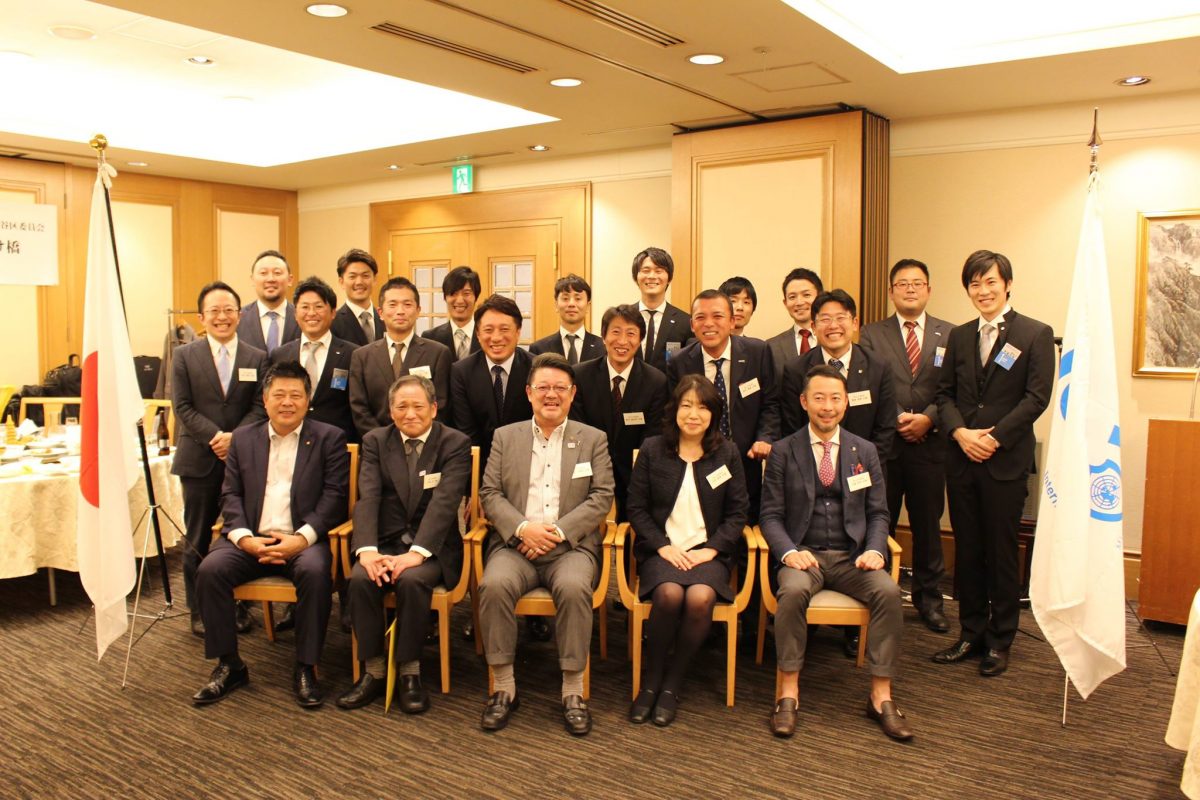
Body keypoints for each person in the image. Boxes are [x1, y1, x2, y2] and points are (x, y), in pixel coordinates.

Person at [760, 365, 912, 741]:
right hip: (804, 555)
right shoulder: (783, 451)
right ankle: (788, 692)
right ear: (804, 402)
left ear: (846, 403)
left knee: (889, 592)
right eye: (819, 398)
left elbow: (879, 512)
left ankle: (880, 696)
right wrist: (788, 552)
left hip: (851, 557)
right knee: (792, 591)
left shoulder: (866, 450)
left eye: (835, 398)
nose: (827, 407)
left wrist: (875, 549)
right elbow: (770, 516)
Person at [191, 361, 349, 707]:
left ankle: (306, 666)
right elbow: (230, 494)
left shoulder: (330, 438)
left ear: (308, 400)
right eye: (279, 395)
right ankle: (229, 665)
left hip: (302, 540)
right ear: (265, 399)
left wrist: (302, 539)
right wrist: (244, 538)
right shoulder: (244, 438)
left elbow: (335, 497)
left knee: (315, 572)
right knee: (210, 570)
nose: (287, 402)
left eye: (296, 395)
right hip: (251, 538)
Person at [476, 354, 614, 736]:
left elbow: (602, 497)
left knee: (573, 588)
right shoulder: (506, 437)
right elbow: (490, 493)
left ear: (572, 394)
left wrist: (555, 533)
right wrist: (523, 529)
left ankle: (573, 691)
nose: (551, 395)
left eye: (559, 388)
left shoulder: (593, 439)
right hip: (515, 546)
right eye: (543, 387)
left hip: (570, 548)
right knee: (493, 585)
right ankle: (504, 687)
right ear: (528, 392)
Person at [932, 250, 1054, 677]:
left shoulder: (1035, 333)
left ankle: (1000, 640)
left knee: (1001, 552)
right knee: (967, 550)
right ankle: (970, 632)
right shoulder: (959, 336)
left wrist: (994, 437)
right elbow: (944, 394)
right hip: (962, 459)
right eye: (974, 283)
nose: (983, 291)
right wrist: (960, 434)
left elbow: (1036, 398)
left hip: (1004, 461)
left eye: (990, 282)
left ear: (1007, 285)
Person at [338, 375, 472, 713]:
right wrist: (368, 550)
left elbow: (445, 504)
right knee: (360, 579)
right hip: (384, 543)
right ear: (390, 410)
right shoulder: (375, 441)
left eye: (418, 406)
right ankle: (374, 671)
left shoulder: (454, 443)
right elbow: (368, 496)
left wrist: (417, 553)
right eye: (401, 407)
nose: (410, 414)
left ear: (434, 408)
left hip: (432, 547)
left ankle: (410, 672)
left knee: (412, 581)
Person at [625, 374, 748, 726]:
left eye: (703, 407)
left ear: (714, 414)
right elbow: (636, 508)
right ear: (674, 409)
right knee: (668, 594)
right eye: (686, 405)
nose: (694, 414)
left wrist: (713, 549)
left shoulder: (727, 452)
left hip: (708, 553)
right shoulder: (652, 449)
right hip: (662, 551)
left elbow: (738, 512)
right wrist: (662, 547)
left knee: (699, 597)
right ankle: (651, 681)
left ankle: (672, 684)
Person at [859, 259, 953, 633]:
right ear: (890, 291)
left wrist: (929, 418)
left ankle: (930, 601)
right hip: (887, 446)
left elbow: (952, 388)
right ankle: (879, 598)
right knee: (879, 523)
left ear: (929, 289)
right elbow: (868, 383)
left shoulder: (950, 334)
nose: (910, 289)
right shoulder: (871, 334)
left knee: (928, 526)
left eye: (917, 283)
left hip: (930, 445)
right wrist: (898, 417)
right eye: (902, 283)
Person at [172, 281, 266, 636]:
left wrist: (235, 439)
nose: (222, 317)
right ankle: (199, 610)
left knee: (242, 534)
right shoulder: (184, 356)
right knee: (197, 536)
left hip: (244, 461)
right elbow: (182, 407)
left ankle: (240, 604)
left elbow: (260, 406)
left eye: (228, 310)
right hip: (199, 459)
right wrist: (216, 437)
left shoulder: (257, 357)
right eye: (214, 311)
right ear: (202, 317)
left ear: (239, 315)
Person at [666, 289, 778, 521]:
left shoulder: (757, 352)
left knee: (744, 520)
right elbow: (675, 413)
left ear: (732, 321)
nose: (709, 324)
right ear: (692, 325)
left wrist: (765, 437)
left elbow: (771, 403)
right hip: (699, 460)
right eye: (700, 317)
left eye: (717, 316)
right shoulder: (680, 362)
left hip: (747, 458)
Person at [570, 304, 668, 522]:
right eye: (616, 332)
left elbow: (653, 436)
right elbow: (577, 429)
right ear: (603, 336)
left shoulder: (655, 381)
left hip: (636, 475)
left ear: (640, 339)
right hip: (589, 473)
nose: (622, 341)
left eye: (631, 334)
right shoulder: (581, 376)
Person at [349, 276, 452, 440]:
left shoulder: (438, 353)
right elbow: (359, 409)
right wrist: (383, 441)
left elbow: (440, 405)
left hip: (425, 444)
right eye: (393, 304)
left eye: (407, 304)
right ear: (380, 313)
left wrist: (415, 437)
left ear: (418, 311)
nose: (400, 311)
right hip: (377, 445)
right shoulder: (362, 356)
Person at [449, 294, 533, 471]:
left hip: (529, 466)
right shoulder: (462, 372)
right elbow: (467, 434)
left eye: (504, 329)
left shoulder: (536, 369)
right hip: (479, 469)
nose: (496, 338)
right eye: (488, 330)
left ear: (518, 332)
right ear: (478, 334)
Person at [270, 276, 356, 443]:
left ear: (333, 313)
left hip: (336, 442)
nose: (311, 313)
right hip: (290, 440)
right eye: (305, 307)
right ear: (295, 314)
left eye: (318, 306)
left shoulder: (353, 354)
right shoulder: (280, 355)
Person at [630, 247, 693, 371]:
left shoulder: (685, 322)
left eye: (659, 271)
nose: (652, 276)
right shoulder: (624, 318)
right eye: (646, 270)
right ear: (635, 277)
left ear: (669, 277)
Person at [529, 274, 605, 364]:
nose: (571, 304)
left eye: (578, 298)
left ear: (588, 306)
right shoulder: (538, 349)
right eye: (565, 298)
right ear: (556, 305)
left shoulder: (603, 347)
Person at [766, 268, 823, 384]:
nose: (799, 302)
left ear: (819, 297)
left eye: (806, 295)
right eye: (792, 297)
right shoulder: (770, 347)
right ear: (785, 303)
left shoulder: (832, 340)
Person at [236, 250, 300, 355]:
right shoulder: (238, 318)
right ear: (252, 279)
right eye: (263, 273)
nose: (270, 279)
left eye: (277, 273)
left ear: (290, 280)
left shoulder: (303, 316)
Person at [423, 266, 482, 362]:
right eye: (453, 293)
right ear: (445, 297)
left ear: (476, 297)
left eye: (466, 293)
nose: (459, 300)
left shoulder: (487, 336)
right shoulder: (430, 338)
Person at [330, 248, 385, 347]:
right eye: (352, 276)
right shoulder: (333, 323)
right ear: (341, 282)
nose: (359, 282)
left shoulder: (386, 319)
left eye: (365, 276)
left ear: (374, 279)